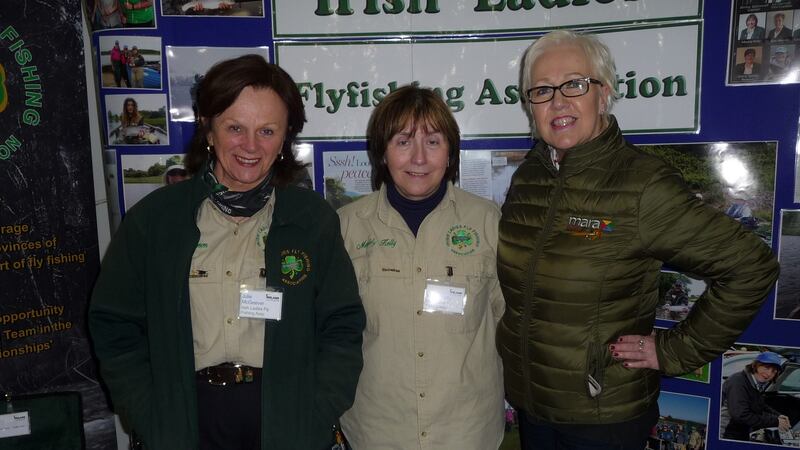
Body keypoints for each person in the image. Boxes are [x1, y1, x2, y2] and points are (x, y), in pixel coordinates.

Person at [497, 29, 779, 450]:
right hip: (534, 407)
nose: (557, 101)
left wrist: (671, 351)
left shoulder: (642, 185)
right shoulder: (530, 177)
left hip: (602, 416)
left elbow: (751, 268)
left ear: (604, 92)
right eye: (541, 90)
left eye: (574, 84)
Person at [89, 54, 365, 449]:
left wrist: (317, 411)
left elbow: (342, 326)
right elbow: (114, 325)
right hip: (184, 423)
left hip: (287, 423)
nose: (250, 146)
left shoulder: (312, 220)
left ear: (286, 137)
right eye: (235, 127)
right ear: (208, 128)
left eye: (267, 131)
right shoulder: (156, 220)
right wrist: (148, 414)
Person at [337, 85, 505, 449]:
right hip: (377, 429)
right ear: (382, 152)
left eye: (432, 142)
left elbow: (508, 319)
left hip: (467, 430)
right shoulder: (346, 227)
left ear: (450, 153)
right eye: (402, 142)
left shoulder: (488, 222)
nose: (418, 158)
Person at [721, 351, 792, 440]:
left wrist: (777, 416)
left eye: (773, 371)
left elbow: (759, 405)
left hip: (741, 431)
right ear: (756, 365)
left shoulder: (755, 383)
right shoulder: (738, 382)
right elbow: (741, 415)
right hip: (725, 433)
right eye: (766, 367)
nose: (769, 374)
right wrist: (775, 422)